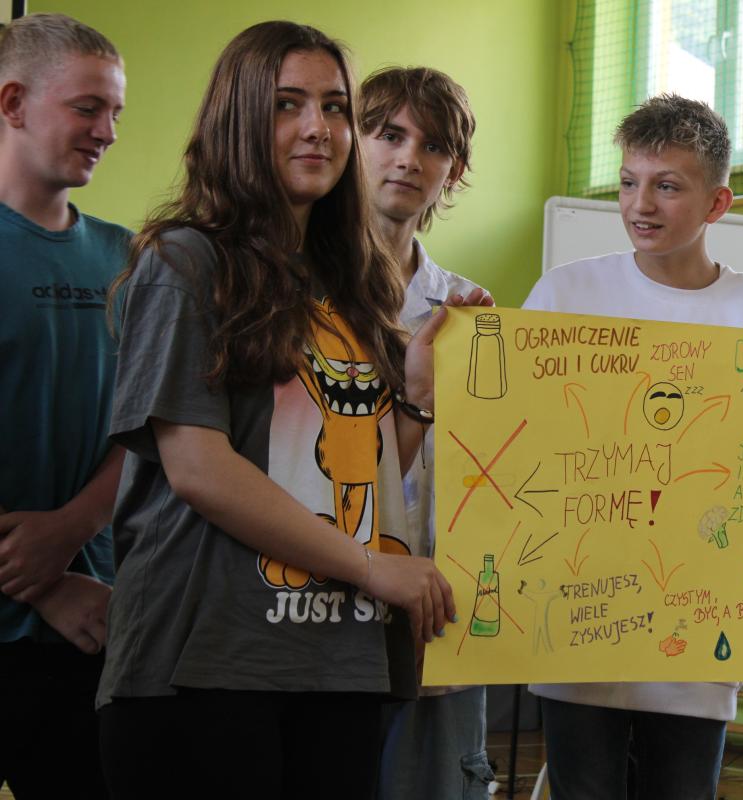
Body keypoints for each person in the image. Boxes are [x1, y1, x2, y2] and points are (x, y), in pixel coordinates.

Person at [95, 22, 479, 800]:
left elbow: (360, 471)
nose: (318, 127)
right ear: (238, 118)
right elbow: (199, 468)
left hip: (337, 661)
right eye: (287, 104)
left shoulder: (355, 286)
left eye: (335, 107)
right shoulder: (186, 260)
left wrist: (417, 398)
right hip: (205, 663)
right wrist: (372, 568)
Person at [522, 92, 743, 799]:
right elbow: (517, 441)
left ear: (716, 203)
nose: (641, 204)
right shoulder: (565, 294)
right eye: (628, 182)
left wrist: (732, 516)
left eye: (667, 186)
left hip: (699, 640)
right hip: (578, 630)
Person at [358, 66, 496, 798]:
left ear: (455, 170)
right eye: (389, 135)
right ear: (353, 142)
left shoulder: (467, 312)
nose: (409, 158)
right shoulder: (297, 292)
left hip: (444, 610)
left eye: (433, 145)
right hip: (328, 605)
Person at [0, 13, 127, 798]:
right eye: (88, 107)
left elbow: (155, 426)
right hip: (45, 597)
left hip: (92, 625)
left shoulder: (129, 258)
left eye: (115, 112)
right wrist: (40, 579)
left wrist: (74, 528)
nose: (106, 131)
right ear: (13, 103)